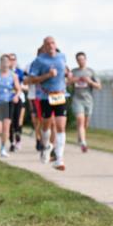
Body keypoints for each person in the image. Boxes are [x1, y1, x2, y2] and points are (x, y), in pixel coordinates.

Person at [27, 37, 71, 170]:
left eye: (53, 43)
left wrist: (68, 73)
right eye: (48, 44)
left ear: (55, 45)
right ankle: (46, 146)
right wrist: (47, 75)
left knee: (60, 126)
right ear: (44, 47)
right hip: (45, 97)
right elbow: (32, 79)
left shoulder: (62, 57)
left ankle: (59, 158)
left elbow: (65, 70)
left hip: (60, 95)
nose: (51, 46)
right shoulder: (39, 61)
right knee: (46, 126)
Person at [69, 51, 101, 152]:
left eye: (82, 59)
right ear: (76, 61)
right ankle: (83, 142)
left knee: (85, 123)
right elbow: (66, 82)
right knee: (80, 120)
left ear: (85, 60)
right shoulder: (73, 71)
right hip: (77, 99)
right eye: (78, 60)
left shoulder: (91, 72)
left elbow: (99, 86)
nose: (80, 61)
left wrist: (89, 81)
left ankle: (81, 137)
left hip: (88, 100)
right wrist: (74, 80)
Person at [7, 53, 27, 151]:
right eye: (10, 59)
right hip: (7, 99)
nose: (12, 61)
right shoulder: (4, 72)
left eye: (13, 59)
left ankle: (18, 139)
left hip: (19, 98)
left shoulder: (20, 72)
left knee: (18, 121)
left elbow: (24, 86)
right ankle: (11, 142)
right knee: (9, 122)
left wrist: (18, 87)